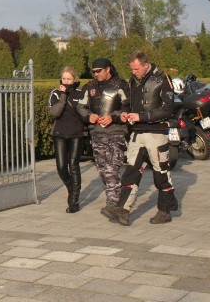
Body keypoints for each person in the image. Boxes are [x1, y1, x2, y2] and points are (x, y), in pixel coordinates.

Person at [115, 51, 180, 226]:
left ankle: (164, 211)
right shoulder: (132, 80)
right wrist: (124, 114)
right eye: (132, 69)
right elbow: (127, 103)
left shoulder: (162, 79)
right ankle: (124, 209)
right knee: (130, 172)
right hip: (137, 134)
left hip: (156, 135)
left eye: (136, 69)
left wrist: (142, 117)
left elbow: (168, 109)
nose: (133, 72)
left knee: (160, 174)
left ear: (146, 65)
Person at [76, 58, 129, 222]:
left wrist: (113, 117)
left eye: (99, 71)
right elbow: (80, 106)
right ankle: (114, 202)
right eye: (94, 71)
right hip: (97, 134)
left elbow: (129, 107)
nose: (96, 74)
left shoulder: (121, 85)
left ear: (108, 70)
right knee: (103, 169)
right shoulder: (89, 87)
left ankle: (113, 203)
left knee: (112, 167)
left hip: (116, 133)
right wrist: (88, 116)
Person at [48, 66, 86, 213]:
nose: (66, 81)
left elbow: (84, 111)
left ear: (74, 79)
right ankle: (71, 187)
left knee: (74, 165)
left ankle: (74, 200)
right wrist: (63, 96)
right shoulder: (56, 93)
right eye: (64, 78)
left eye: (69, 79)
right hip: (60, 133)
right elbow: (55, 113)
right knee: (61, 166)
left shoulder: (80, 93)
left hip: (77, 133)